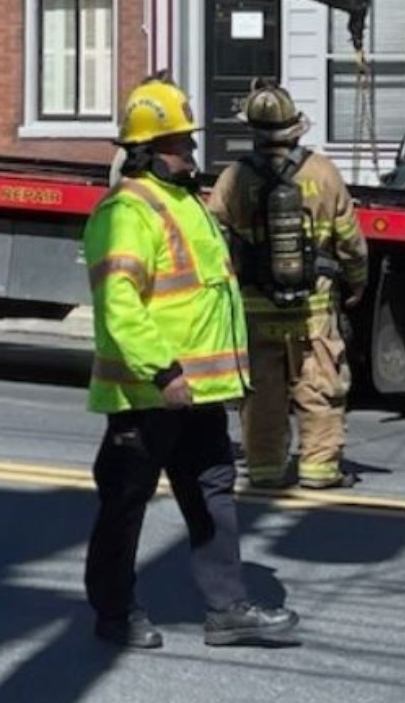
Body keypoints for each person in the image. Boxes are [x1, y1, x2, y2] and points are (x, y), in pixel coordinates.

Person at [81, 76, 297, 650]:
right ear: (147, 151)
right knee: (125, 505)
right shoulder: (126, 211)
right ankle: (114, 613)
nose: (192, 152)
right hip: (149, 393)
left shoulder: (184, 202)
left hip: (195, 391)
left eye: (189, 142)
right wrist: (164, 371)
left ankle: (228, 609)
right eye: (180, 143)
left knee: (213, 493)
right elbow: (119, 306)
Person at [206, 80, 369, 491]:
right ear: (295, 127)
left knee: (261, 395)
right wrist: (356, 283)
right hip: (312, 309)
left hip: (256, 308)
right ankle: (319, 470)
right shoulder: (324, 172)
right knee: (319, 387)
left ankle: (264, 470)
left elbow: (210, 239)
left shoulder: (234, 179)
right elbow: (351, 241)